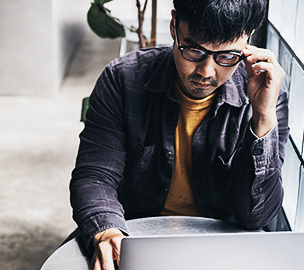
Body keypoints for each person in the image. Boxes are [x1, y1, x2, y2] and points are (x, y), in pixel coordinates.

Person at [69, 0, 289, 269]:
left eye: (227, 56)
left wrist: (262, 117)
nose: (205, 72)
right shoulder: (123, 79)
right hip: (134, 237)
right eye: (194, 50)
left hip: (224, 250)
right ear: (174, 25)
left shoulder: (264, 95)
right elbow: (96, 175)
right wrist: (108, 232)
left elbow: (256, 216)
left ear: (248, 39)